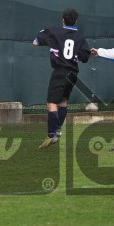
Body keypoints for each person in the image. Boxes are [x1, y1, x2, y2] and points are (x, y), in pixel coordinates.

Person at [33, 8, 91, 149]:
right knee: (63, 102)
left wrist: (50, 43)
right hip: (73, 74)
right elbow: (85, 58)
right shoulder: (80, 37)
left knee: (52, 104)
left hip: (60, 72)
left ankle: (51, 135)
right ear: (76, 21)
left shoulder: (54, 32)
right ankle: (58, 130)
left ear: (63, 20)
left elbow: (35, 42)